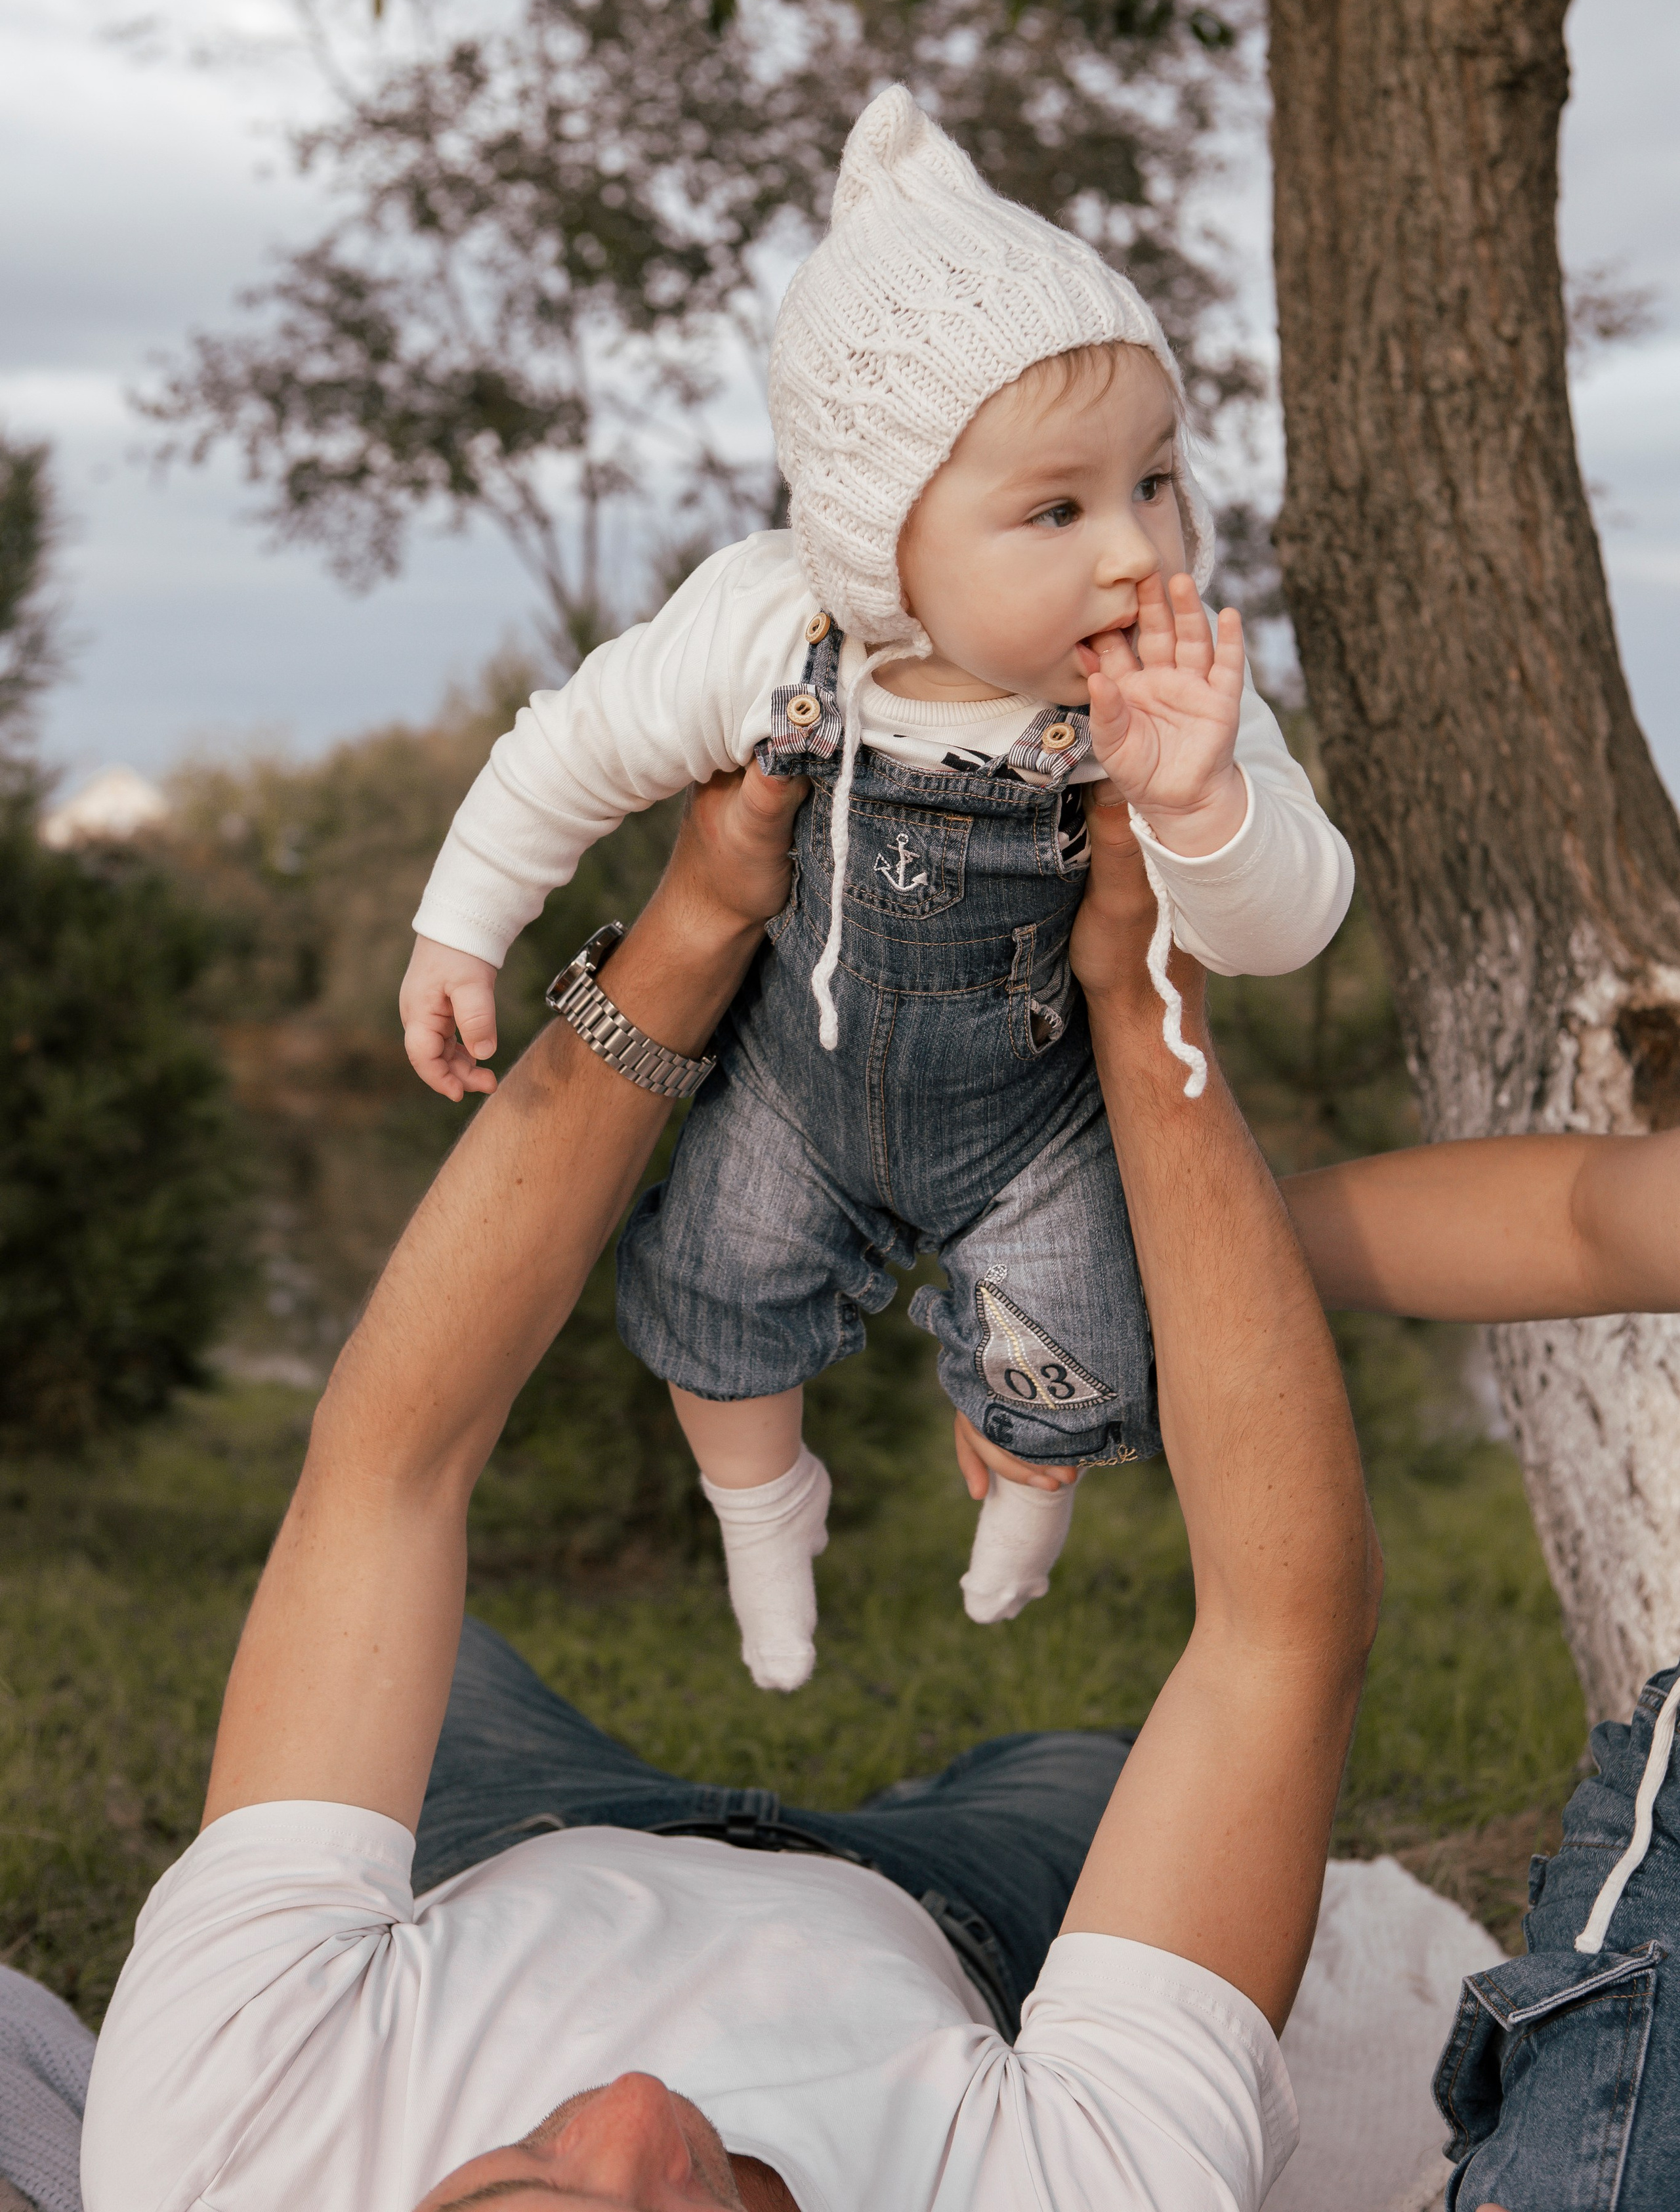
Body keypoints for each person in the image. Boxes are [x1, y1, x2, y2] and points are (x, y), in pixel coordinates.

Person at [80, 762, 1382, 2212]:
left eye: (518, 2180)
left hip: (506, 1845)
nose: (633, 2114)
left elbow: (387, 1471)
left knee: (449, 1675)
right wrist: (1145, 1002)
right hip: (942, 1916)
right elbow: (1276, 1643)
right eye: (669, 2208)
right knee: (1081, 1763)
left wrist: (695, 918)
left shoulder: (218, 2156)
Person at [398, 85, 1353, 1690]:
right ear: (874, 544)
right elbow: (572, 747)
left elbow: (1286, 925)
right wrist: (459, 925)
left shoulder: (1176, 697)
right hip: (795, 1087)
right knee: (708, 1291)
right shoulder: (775, 632)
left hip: (1034, 1117)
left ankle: (1028, 1490)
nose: (1132, 552)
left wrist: (1196, 806)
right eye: (1054, 509)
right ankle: (761, 1505)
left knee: (1075, 1348)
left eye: (1154, 481)